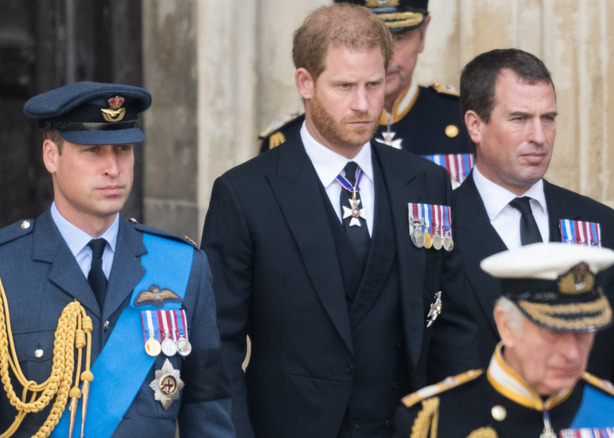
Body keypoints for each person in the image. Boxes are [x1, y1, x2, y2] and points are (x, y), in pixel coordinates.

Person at [201, 4, 474, 437]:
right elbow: (218, 342)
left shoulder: (425, 182)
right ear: (305, 83)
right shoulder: (245, 194)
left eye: (374, 84)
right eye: (345, 86)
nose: (364, 104)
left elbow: (455, 322)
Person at [0, 81, 235, 437]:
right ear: (50, 156)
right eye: (93, 151)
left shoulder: (183, 267)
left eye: (123, 149)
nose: (113, 168)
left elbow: (209, 414)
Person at [449, 48, 614, 431]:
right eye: (520, 119)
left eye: (548, 118)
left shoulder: (602, 224)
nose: (539, 136)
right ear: (475, 125)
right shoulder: (439, 228)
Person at [395, 243, 614, 437]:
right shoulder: (433, 420)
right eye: (553, 334)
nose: (571, 353)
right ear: (506, 325)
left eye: (582, 334)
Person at [259, 0, 473, 185]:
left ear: (423, 34)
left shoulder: (464, 120)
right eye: (361, 42)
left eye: (398, 38)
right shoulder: (286, 139)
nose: (385, 59)